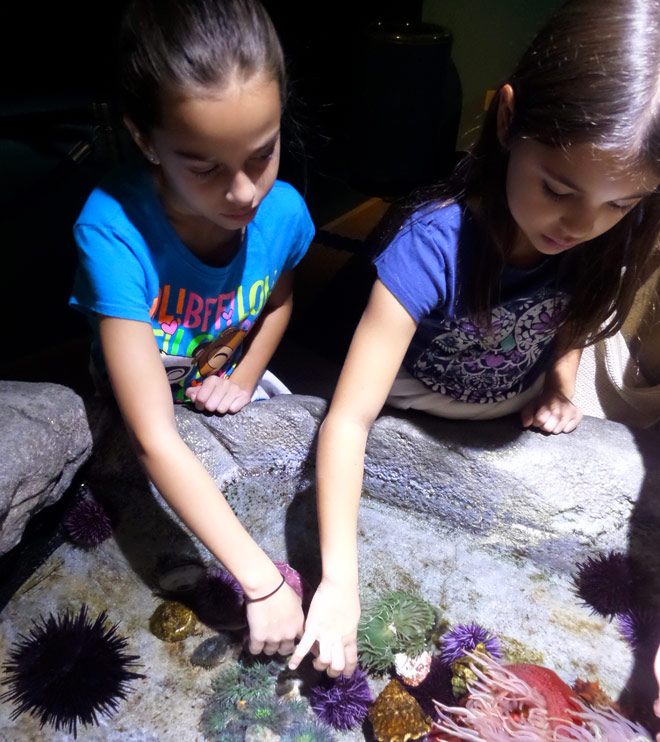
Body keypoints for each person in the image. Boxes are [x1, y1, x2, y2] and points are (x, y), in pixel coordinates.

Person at [289, 0, 660, 680]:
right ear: (509, 116)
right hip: (414, 404)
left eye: (619, 204)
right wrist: (339, 580)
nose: (581, 224)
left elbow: (576, 310)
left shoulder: (606, 237)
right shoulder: (430, 246)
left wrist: (558, 381)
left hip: (507, 404)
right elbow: (347, 417)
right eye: (557, 188)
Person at [70, 0, 314, 656]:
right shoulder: (113, 233)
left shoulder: (283, 212)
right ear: (146, 139)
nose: (243, 192)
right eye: (204, 165)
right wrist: (261, 583)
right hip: (138, 403)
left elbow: (278, 303)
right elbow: (152, 436)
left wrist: (246, 374)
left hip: (223, 375)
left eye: (262, 155)